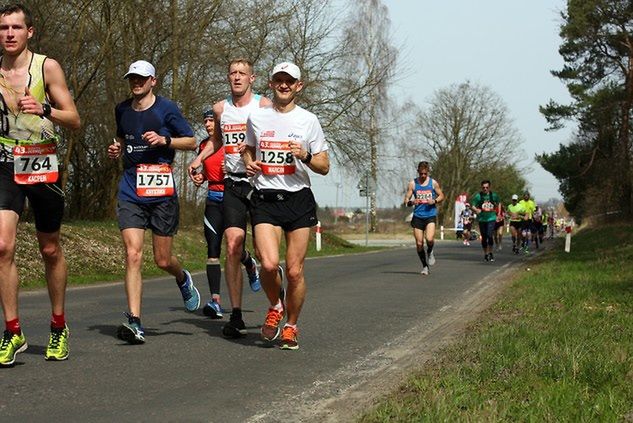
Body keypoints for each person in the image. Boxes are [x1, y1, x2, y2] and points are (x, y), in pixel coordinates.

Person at [0, 4, 80, 366]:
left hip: (43, 163)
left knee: (49, 249)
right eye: (4, 28)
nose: (10, 34)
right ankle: (13, 331)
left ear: (29, 32)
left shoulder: (46, 67)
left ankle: (58, 325)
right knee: (2, 246)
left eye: (17, 27)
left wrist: (45, 110)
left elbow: (75, 119)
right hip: (5, 163)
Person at [108, 60, 198, 344]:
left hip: (161, 192)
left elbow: (192, 141)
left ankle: (182, 277)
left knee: (161, 259)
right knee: (133, 254)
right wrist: (116, 148)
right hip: (131, 189)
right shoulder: (122, 109)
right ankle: (134, 321)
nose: (136, 83)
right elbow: (122, 138)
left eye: (141, 79)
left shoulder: (166, 108)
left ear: (153, 81)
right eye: (132, 78)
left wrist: (165, 140)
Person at [244, 61, 330, 350]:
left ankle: (291, 325)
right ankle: (275, 306)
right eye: (278, 80)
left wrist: (305, 155)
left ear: (298, 86)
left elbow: (324, 166)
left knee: (294, 271)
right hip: (265, 197)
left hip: (298, 200)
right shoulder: (257, 118)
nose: (283, 85)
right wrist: (248, 162)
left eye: (289, 81)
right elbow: (247, 147)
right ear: (271, 83)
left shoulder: (309, 120)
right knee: (268, 264)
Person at [189, 59, 270, 338]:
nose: (237, 78)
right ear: (228, 78)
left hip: (261, 185)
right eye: (233, 73)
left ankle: (277, 303)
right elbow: (218, 142)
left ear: (252, 78)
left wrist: (256, 160)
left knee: (265, 255)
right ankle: (236, 316)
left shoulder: (263, 106)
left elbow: (273, 138)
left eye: (242, 74)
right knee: (233, 245)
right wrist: (199, 158)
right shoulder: (220, 109)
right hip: (233, 185)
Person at [189, 108, 261, 319]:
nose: (209, 125)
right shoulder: (204, 146)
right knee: (213, 250)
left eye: (212, 121)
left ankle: (249, 264)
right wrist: (200, 177)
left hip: (233, 194)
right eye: (206, 122)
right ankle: (216, 301)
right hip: (213, 199)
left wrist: (230, 165)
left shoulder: (230, 144)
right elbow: (205, 172)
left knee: (234, 248)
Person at [403, 161, 445, 275]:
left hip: (430, 215)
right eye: (421, 174)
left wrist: (435, 200)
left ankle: (430, 252)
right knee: (419, 243)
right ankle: (425, 266)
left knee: (430, 239)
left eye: (425, 174)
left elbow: (441, 195)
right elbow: (406, 199)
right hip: (418, 216)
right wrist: (412, 202)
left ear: (428, 172)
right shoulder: (413, 184)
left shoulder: (433, 183)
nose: (423, 176)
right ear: (418, 172)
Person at [470, 180, 500, 262]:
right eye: (483, 188)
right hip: (482, 219)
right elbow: (472, 205)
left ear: (489, 187)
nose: (485, 189)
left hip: (491, 218)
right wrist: (476, 210)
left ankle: (490, 252)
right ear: (481, 188)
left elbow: (499, 203)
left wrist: (498, 214)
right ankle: (486, 253)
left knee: (489, 235)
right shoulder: (478, 196)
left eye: (487, 187)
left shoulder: (493, 195)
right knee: (484, 237)